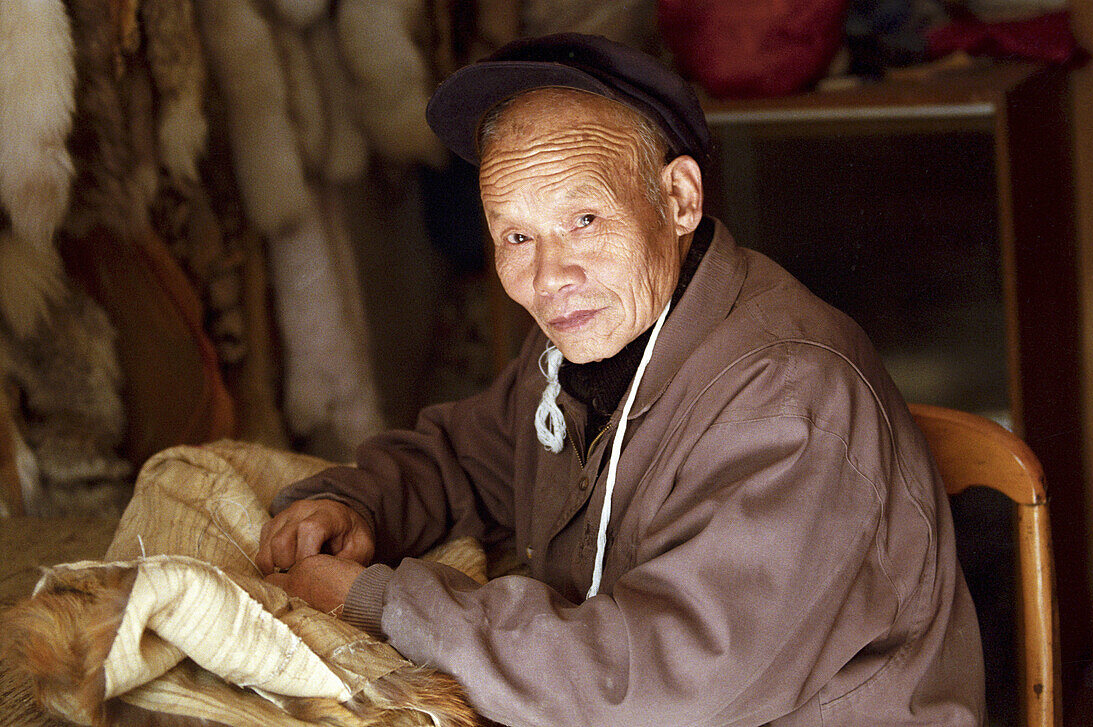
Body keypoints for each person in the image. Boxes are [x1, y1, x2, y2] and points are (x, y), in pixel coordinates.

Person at [257, 33, 986, 726]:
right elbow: (464, 458)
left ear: (679, 201)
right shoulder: (587, 348)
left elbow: (658, 681)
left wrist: (383, 606)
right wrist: (358, 503)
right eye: (517, 236)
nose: (548, 278)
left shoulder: (790, 399)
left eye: (583, 218)